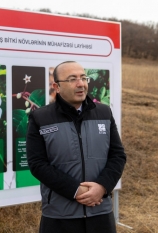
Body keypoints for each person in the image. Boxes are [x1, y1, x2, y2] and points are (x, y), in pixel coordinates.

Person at [26, 61, 126, 233]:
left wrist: (102, 187)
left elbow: (118, 156)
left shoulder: (104, 113)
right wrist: (75, 190)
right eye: (72, 79)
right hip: (60, 216)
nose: (80, 83)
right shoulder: (40, 118)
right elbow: (38, 164)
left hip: (100, 211)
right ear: (56, 86)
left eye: (83, 78)